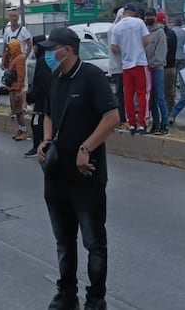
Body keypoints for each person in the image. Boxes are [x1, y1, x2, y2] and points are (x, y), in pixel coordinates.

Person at [35, 28, 119, 310]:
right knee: (64, 241)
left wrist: (86, 148)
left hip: (86, 176)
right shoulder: (55, 78)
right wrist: (46, 141)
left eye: (53, 49)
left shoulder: (92, 77)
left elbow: (112, 117)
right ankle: (66, 293)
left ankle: (96, 299)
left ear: (68, 50)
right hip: (56, 175)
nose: (49, 54)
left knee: (94, 243)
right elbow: (48, 114)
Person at [110, 3, 150, 135]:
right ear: (133, 12)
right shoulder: (139, 22)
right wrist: (137, 47)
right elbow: (146, 40)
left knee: (128, 95)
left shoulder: (117, 27)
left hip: (126, 66)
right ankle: (142, 123)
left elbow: (114, 48)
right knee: (142, 94)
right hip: (139, 62)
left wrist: (125, 50)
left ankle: (131, 123)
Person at [25, 35, 51, 158]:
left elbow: (40, 81)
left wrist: (32, 95)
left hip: (41, 99)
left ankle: (37, 147)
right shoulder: (45, 59)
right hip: (46, 97)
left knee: (36, 123)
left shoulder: (42, 61)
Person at [144, 9, 169, 135]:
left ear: (155, 17)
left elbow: (161, 54)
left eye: (151, 16)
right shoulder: (144, 32)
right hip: (146, 70)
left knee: (160, 97)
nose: (148, 18)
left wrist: (150, 64)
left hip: (157, 69)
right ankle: (156, 124)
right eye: (147, 16)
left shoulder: (160, 33)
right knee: (151, 99)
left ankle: (165, 124)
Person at [4, 40, 29, 142]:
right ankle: (20, 129)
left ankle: (24, 131)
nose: (9, 50)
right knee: (16, 111)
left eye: (10, 48)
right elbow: (5, 65)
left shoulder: (20, 59)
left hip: (16, 89)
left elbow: (21, 76)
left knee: (19, 111)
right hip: (12, 88)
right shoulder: (13, 58)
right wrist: (6, 55)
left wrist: (19, 91)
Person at [162, 12, 179, 112]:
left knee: (168, 91)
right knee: (168, 91)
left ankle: (170, 111)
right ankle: (169, 110)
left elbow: (167, 51)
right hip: (169, 66)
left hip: (167, 66)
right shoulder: (170, 33)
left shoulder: (168, 34)